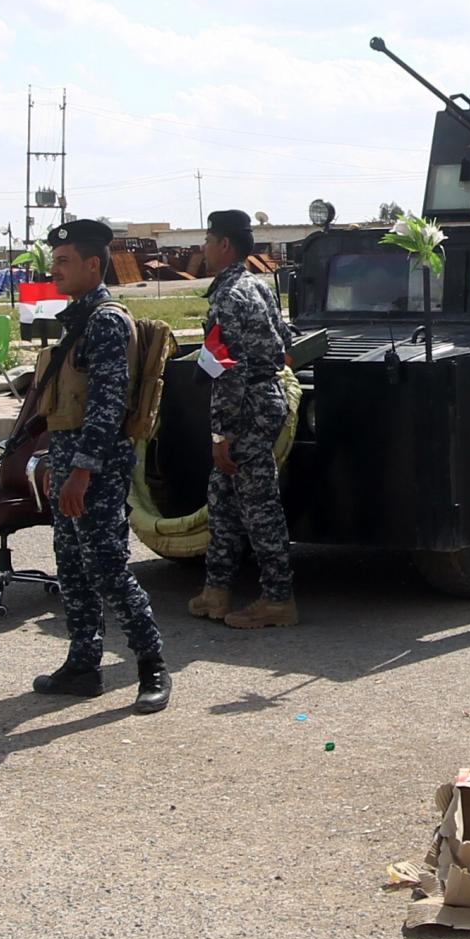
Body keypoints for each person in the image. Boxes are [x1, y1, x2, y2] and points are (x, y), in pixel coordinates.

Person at [30, 219, 169, 710]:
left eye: (64, 262)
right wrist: (56, 460)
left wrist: (83, 471)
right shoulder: (79, 320)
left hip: (99, 468)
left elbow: (108, 406)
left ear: (93, 264)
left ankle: (152, 665)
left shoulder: (106, 322)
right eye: (54, 262)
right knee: (71, 568)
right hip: (71, 462)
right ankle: (83, 664)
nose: (55, 270)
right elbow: (68, 403)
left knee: (108, 568)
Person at [189, 209, 296, 629]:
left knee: (258, 504)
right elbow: (285, 342)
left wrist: (221, 433)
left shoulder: (229, 295)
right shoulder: (257, 285)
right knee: (223, 499)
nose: (203, 248)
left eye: (208, 240)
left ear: (224, 245)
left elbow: (226, 370)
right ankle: (217, 590)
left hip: (246, 408)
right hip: (262, 397)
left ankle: (278, 598)